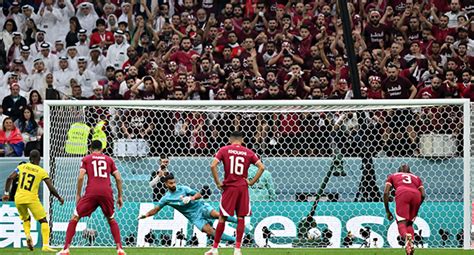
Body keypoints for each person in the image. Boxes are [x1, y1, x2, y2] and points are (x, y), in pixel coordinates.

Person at [57, 140, 125, 255]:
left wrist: (78, 194)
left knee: (75, 217)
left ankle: (66, 249)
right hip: (106, 193)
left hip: (91, 192)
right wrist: (120, 196)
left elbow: (80, 177)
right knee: (111, 219)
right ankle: (119, 248)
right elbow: (118, 178)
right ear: (102, 149)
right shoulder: (109, 160)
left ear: (90, 149)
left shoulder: (86, 159)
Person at [206, 131, 265, 255]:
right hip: (243, 188)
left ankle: (215, 249)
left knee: (222, 217)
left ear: (230, 139)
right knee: (241, 218)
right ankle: (237, 249)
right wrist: (251, 182)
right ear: (242, 140)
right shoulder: (249, 152)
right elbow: (262, 167)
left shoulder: (224, 150)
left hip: (229, 188)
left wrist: (218, 183)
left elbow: (213, 166)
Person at [138, 173, 238, 244]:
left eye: (174, 182)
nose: (173, 185)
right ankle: (235, 239)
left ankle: (240, 222)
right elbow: (156, 209)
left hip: (201, 207)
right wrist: (146, 215)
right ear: (166, 184)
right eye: (170, 183)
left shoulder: (183, 189)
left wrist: (191, 198)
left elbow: (199, 195)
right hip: (194, 217)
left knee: (217, 215)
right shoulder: (166, 198)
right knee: (209, 231)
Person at [2, 150, 64, 252]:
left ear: (29, 158)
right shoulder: (41, 171)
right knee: (43, 220)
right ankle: (45, 245)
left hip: (19, 198)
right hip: (32, 199)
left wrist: (6, 194)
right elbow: (50, 187)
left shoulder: (21, 167)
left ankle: (27, 235)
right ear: (39, 159)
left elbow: (9, 178)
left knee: (26, 219)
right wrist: (59, 197)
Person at [384, 164, 425, 255]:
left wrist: (387, 210)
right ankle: (410, 245)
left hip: (402, 193)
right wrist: (417, 204)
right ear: (410, 172)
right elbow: (423, 195)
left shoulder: (393, 176)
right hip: (416, 195)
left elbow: (386, 192)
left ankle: (406, 237)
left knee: (401, 222)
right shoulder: (416, 178)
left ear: (398, 171)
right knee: (410, 223)